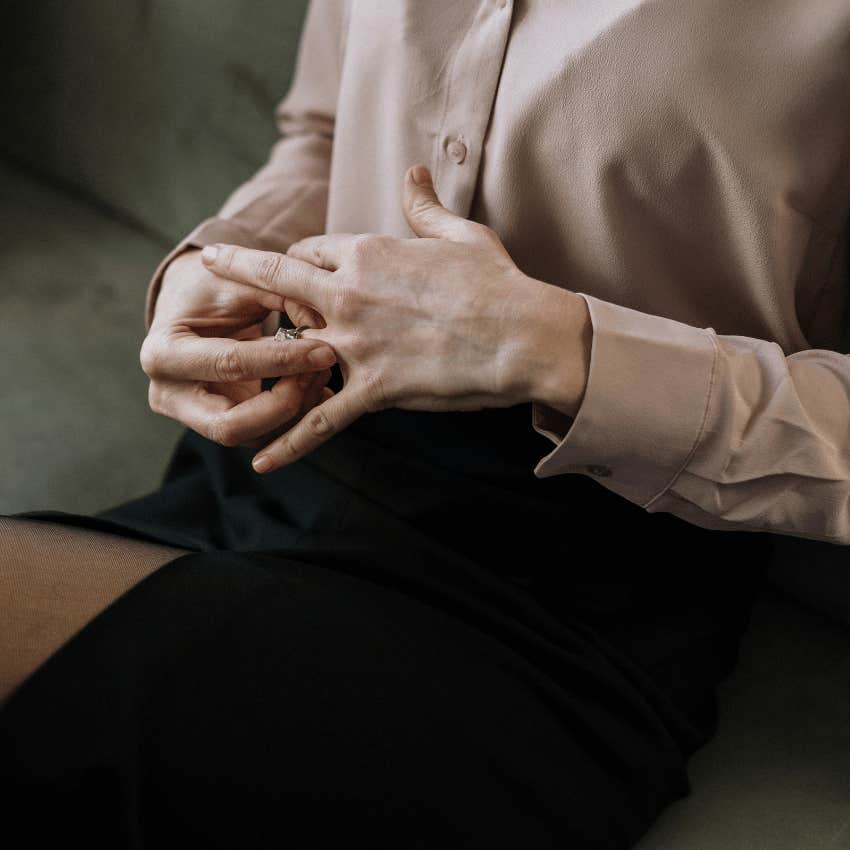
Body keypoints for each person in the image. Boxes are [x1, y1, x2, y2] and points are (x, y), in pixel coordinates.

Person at [2, 1, 849, 847]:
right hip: (280, 464)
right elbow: (323, 128)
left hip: (567, 589)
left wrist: (563, 352)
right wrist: (220, 260)